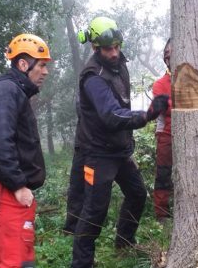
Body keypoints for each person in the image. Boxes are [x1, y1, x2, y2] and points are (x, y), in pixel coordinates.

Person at [71, 16, 169, 268]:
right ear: (95, 48)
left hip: (119, 150)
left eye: (117, 46)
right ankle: (82, 263)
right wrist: (147, 115)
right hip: (97, 153)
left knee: (137, 193)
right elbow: (111, 114)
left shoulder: (119, 65)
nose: (114, 53)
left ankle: (124, 243)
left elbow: (122, 104)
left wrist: (128, 145)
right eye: (107, 49)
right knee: (94, 211)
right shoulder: (93, 76)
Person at [0, 33, 51, 267]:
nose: (46, 72)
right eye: (42, 65)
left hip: (0, 187)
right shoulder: (6, 91)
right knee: (17, 260)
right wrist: (18, 185)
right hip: (5, 189)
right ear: (23, 64)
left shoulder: (11, 91)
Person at [152, 39, 173, 221]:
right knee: (164, 173)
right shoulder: (160, 84)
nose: (169, 57)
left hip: (192, 137)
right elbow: (166, 109)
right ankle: (162, 214)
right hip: (167, 135)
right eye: (167, 54)